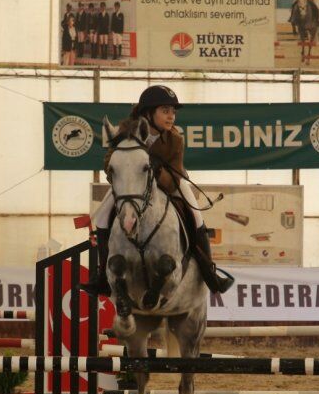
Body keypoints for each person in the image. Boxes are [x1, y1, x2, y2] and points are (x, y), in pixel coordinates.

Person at [81, 85, 234, 296]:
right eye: (165, 111)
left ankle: (210, 272)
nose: (171, 116)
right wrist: (126, 172)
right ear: (148, 113)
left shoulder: (175, 139)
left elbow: (173, 180)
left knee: (196, 216)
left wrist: (156, 170)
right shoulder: (125, 132)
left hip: (168, 182)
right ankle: (102, 276)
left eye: (173, 112)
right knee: (101, 218)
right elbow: (109, 162)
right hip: (132, 185)